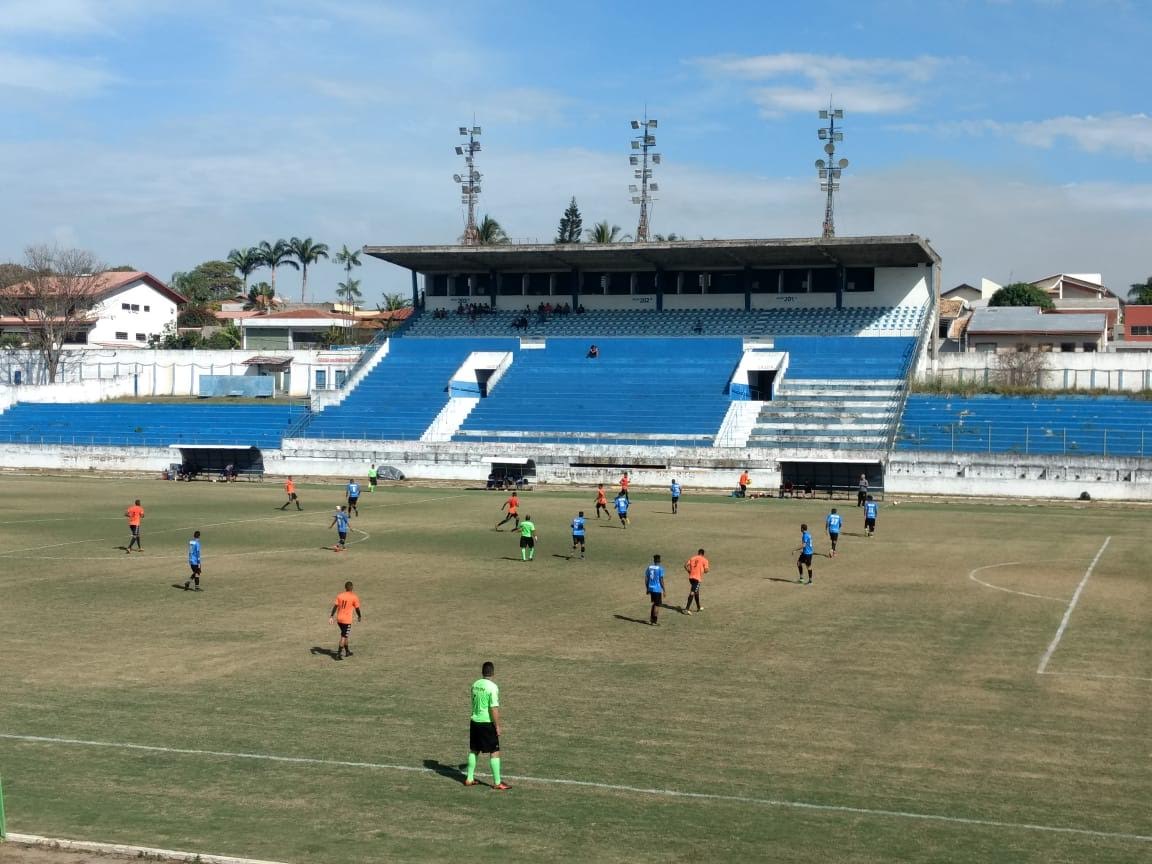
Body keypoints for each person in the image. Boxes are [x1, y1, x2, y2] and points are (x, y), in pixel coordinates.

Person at [465, 661, 509, 790]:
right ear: (493, 673)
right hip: (486, 723)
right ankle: (497, 782)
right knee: (494, 751)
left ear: (482, 672)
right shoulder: (492, 687)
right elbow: (493, 708)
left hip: (475, 721)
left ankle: (469, 778)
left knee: (474, 750)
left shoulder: (475, 685)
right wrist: (497, 726)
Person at [328, 580, 361, 659]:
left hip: (339, 619)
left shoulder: (340, 595)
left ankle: (347, 651)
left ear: (345, 588)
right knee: (343, 636)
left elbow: (335, 606)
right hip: (347, 620)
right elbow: (357, 609)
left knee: (345, 635)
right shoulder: (354, 597)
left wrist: (331, 616)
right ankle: (338, 654)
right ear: (352, 587)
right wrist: (359, 616)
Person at [682, 548, 709, 614]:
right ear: (703, 554)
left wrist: (689, 571)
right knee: (693, 592)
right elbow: (706, 570)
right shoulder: (704, 560)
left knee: (696, 592)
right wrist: (704, 570)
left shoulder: (692, 558)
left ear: (698, 553)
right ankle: (686, 609)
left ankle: (698, 607)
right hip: (697, 579)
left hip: (691, 578)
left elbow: (685, 565)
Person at [645, 554, 666, 626]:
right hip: (657, 589)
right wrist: (664, 590)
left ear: (654, 560)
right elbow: (661, 580)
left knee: (654, 603)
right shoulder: (660, 569)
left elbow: (646, 579)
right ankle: (654, 621)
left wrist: (647, 588)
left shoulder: (649, 567)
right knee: (657, 605)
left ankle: (651, 619)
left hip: (651, 588)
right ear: (659, 560)